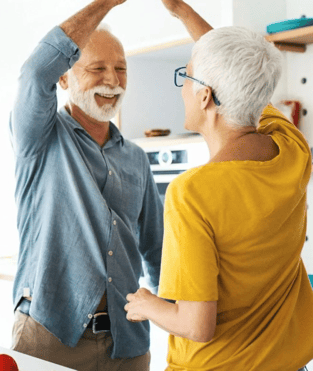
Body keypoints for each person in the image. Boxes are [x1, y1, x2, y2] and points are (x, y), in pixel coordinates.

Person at [124, 1, 313, 370]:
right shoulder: (292, 147)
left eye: (186, 76)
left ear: (205, 95)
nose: (183, 88)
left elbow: (196, 326)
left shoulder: (192, 193)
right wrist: (180, 10)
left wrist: (148, 304)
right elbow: (241, 72)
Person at [8, 0, 164, 370]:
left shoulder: (137, 158)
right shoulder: (40, 138)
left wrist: (177, 318)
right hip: (51, 336)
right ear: (64, 78)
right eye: (97, 68)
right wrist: (107, 3)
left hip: (129, 342)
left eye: (121, 69)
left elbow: (157, 250)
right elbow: (34, 73)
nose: (112, 81)